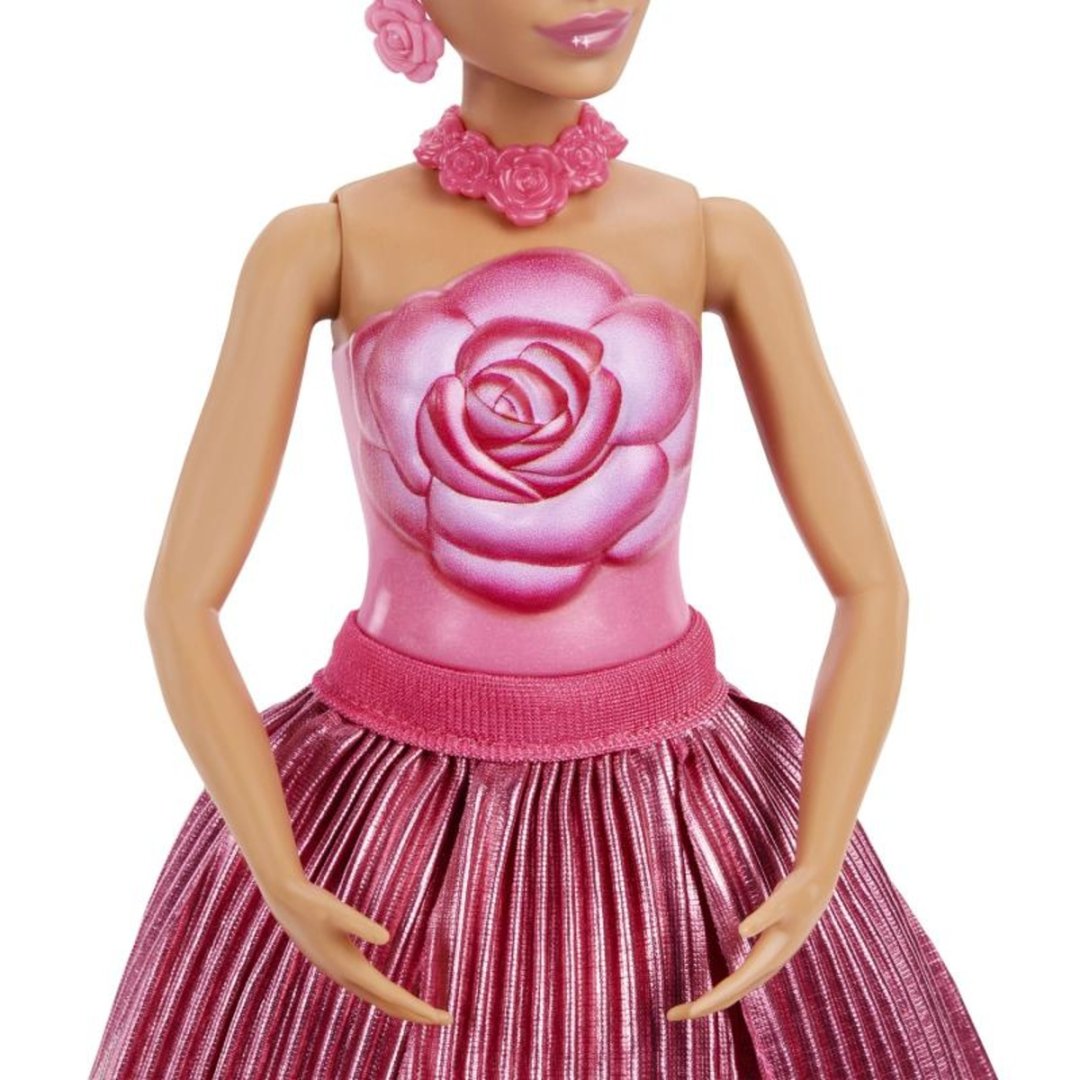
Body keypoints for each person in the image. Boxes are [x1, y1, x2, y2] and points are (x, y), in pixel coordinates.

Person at [90, 1, 998, 1076]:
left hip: (678, 809)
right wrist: (278, 872)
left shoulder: (716, 238)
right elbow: (182, 603)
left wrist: (817, 858)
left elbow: (872, 586)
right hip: (384, 812)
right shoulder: (322, 244)